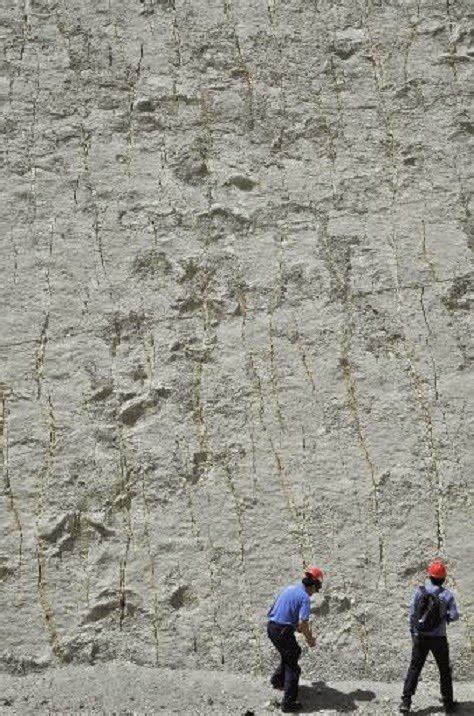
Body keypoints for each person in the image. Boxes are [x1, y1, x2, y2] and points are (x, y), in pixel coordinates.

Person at [400, 559, 460, 714]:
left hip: (421, 636)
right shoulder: (447, 595)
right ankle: (448, 704)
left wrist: (414, 632)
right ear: (443, 578)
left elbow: (412, 614)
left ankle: (406, 701)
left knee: (415, 668)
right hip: (439, 638)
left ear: (430, 576)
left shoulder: (419, 592)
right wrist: (444, 616)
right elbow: (454, 616)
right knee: (444, 670)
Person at [267, 566, 323, 713]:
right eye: (315, 590)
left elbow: (276, 610)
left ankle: (277, 681)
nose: (313, 594)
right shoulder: (304, 597)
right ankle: (288, 703)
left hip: (272, 627)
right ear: (313, 585)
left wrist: (293, 626)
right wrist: (310, 639)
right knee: (293, 666)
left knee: (290, 653)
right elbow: (302, 624)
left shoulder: (290, 588)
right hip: (282, 631)